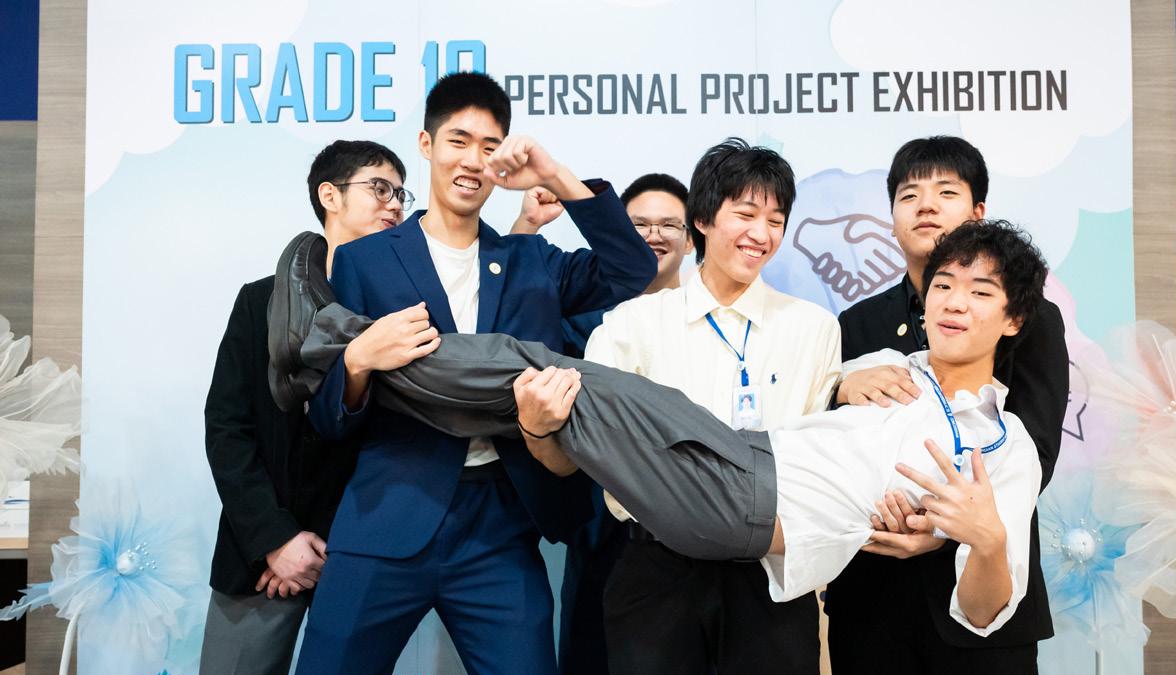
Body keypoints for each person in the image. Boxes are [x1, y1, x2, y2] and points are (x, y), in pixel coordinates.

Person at [273, 217, 1046, 640]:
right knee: (536, 382)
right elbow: (828, 400)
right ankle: (335, 357)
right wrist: (847, 379)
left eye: (979, 292)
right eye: (943, 284)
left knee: (545, 372)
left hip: (748, 507)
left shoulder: (1003, 444)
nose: (953, 301)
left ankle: (328, 339)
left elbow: (984, 610)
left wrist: (983, 539)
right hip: (737, 455)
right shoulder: (888, 363)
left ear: (1013, 319)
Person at [275, 72, 655, 675]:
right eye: (458, 140)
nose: (473, 159)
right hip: (384, 519)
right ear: (426, 145)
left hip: (497, 530)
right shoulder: (362, 261)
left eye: (489, 145)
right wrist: (357, 360)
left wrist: (555, 174)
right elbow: (324, 417)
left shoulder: (532, 261)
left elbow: (632, 269)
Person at [826, 136, 1068, 675]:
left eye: (946, 192)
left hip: (984, 580)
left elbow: (1035, 450)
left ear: (978, 211)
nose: (926, 206)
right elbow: (829, 441)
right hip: (872, 589)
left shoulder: (1031, 316)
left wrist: (943, 530)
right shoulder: (856, 324)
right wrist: (839, 386)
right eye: (910, 194)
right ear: (891, 216)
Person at [190, 139, 412, 675]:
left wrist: (340, 547)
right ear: (329, 195)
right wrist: (275, 540)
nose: (395, 204)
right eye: (380, 187)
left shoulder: (404, 314)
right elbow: (227, 427)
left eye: (401, 192)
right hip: (261, 556)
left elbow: (400, 443)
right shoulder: (260, 301)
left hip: (360, 555)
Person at [510, 172, 698, 675]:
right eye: (639, 225)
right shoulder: (581, 320)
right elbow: (508, 320)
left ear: (691, 237)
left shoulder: (712, 323)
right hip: (601, 531)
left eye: (668, 225)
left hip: (690, 538)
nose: (654, 236)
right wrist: (524, 226)